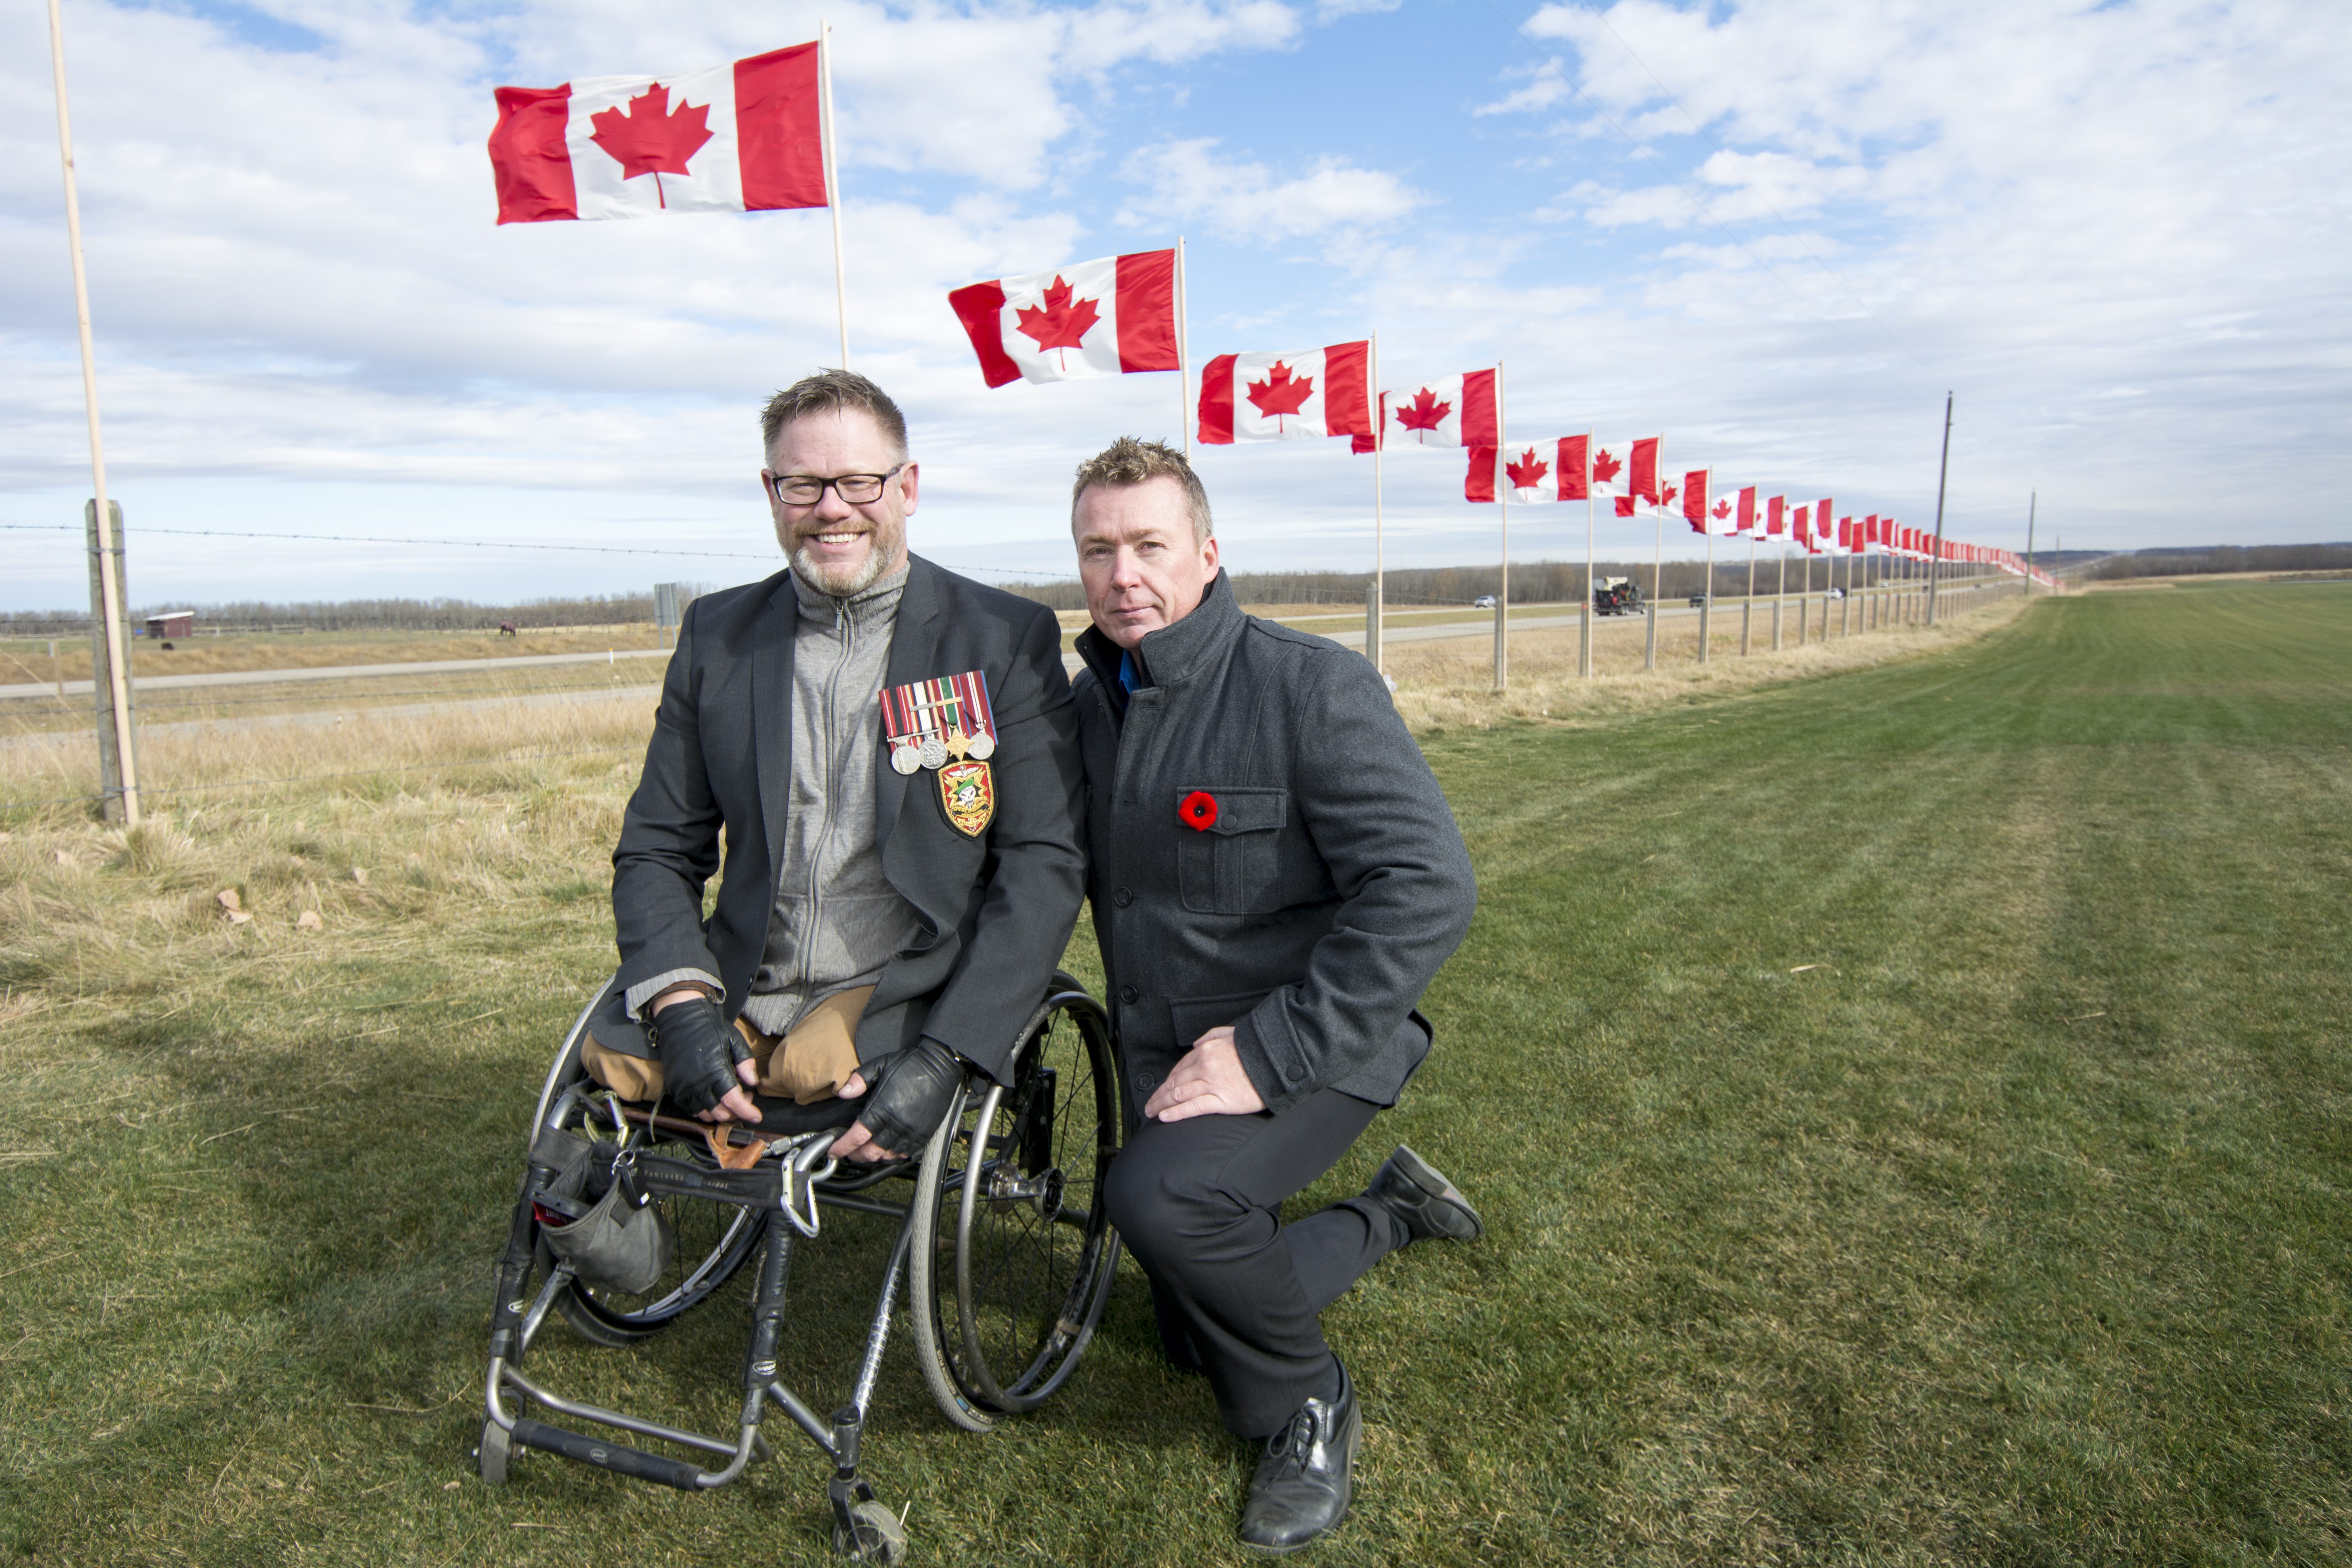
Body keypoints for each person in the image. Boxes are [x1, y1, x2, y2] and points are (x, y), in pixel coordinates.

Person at [1068, 437, 1482, 1552]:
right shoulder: (1092, 706)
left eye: (1150, 544)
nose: (1125, 575)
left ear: (1207, 553)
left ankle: (1309, 1404)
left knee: (1161, 1202)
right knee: (1193, 1332)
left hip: (1316, 1048)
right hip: (1172, 1059)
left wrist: (1262, 1054)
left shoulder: (1307, 686)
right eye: (1099, 550)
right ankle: (1390, 1210)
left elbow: (1430, 887)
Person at [593, 369, 1085, 1165]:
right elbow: (657, 844)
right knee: (607, 1072)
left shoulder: (1001, 639)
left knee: (826, 1070)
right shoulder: (716, 637)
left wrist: (952, 1049)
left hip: (899, 982)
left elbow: (1045, 861)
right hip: (745, 973)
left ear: (908, 486)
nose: (832, 507)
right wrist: (681, 1000)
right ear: (771, 491)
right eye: (803, 484)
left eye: (859, 480)